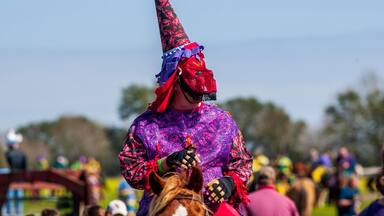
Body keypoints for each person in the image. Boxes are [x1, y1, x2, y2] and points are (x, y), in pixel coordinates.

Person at [119, 0, 252, 215]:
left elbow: (242, 163)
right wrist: (166, 163)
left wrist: (229, 182)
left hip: (215, 208)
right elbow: (131, 170)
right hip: (161, 206)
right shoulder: (145, 125)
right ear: (175, 82)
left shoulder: (222, 121)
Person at [4, 129, 27, 215]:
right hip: (19, 178)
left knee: (9, 198)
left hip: (9, 178)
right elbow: (24, 167)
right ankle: (18, 213)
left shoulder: (7, 154)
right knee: (18, 198)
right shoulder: (22, 154)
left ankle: (9, 213)